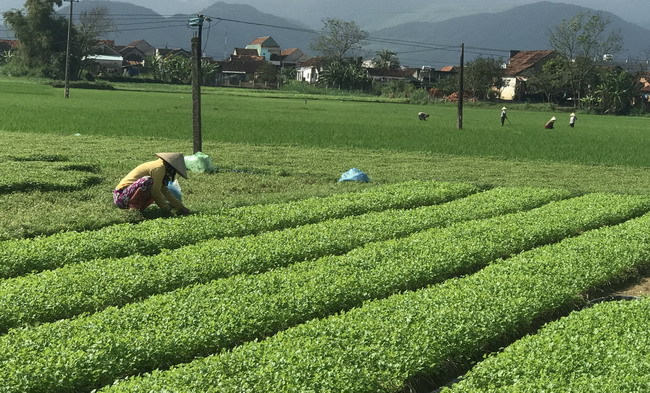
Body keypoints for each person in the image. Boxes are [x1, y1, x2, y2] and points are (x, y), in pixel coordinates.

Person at [113, 152, 191, 215]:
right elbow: (155, 191)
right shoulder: (159, 168)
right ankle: (133, 208)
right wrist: (166, 210)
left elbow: (164, 190)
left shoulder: (161, 167)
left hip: (125, 197)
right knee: (148, 181)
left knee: (153, 187)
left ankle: (138, 209)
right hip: (121, 197)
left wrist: (180, 207)